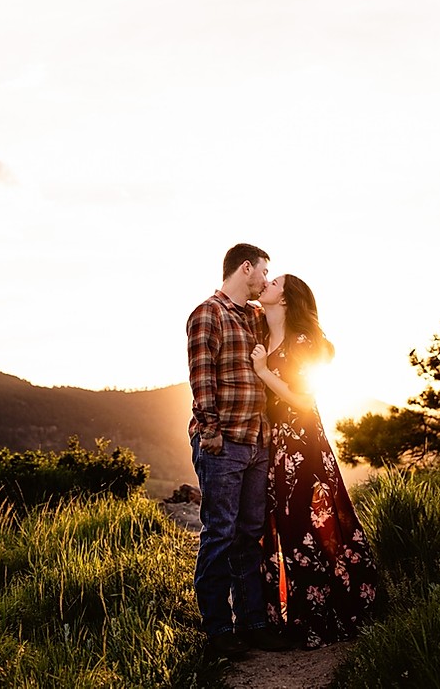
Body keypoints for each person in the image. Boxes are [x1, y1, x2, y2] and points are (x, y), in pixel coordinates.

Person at [250, 274, 381, 648]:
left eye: (273, 282)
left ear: (287, 299)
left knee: (306, 527)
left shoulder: (301, 340)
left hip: (303, 442)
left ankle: (328, 616)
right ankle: (296, 617)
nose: (265, 283)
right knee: (285, 527)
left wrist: (262, 372)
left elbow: (304, 399)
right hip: (276, 446)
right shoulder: (263, 334)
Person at [187, 243, 286, 657]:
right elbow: (201, 375)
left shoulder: (253, 316)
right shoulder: (207, 313)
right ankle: (217, 631)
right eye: (264, 270)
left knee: (249, 535)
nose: (266, 278)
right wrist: (210, 430)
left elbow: (282, 325)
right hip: (222, 441)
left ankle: (254, 622)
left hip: (257, 442)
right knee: (220, 533)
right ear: (246, 267)